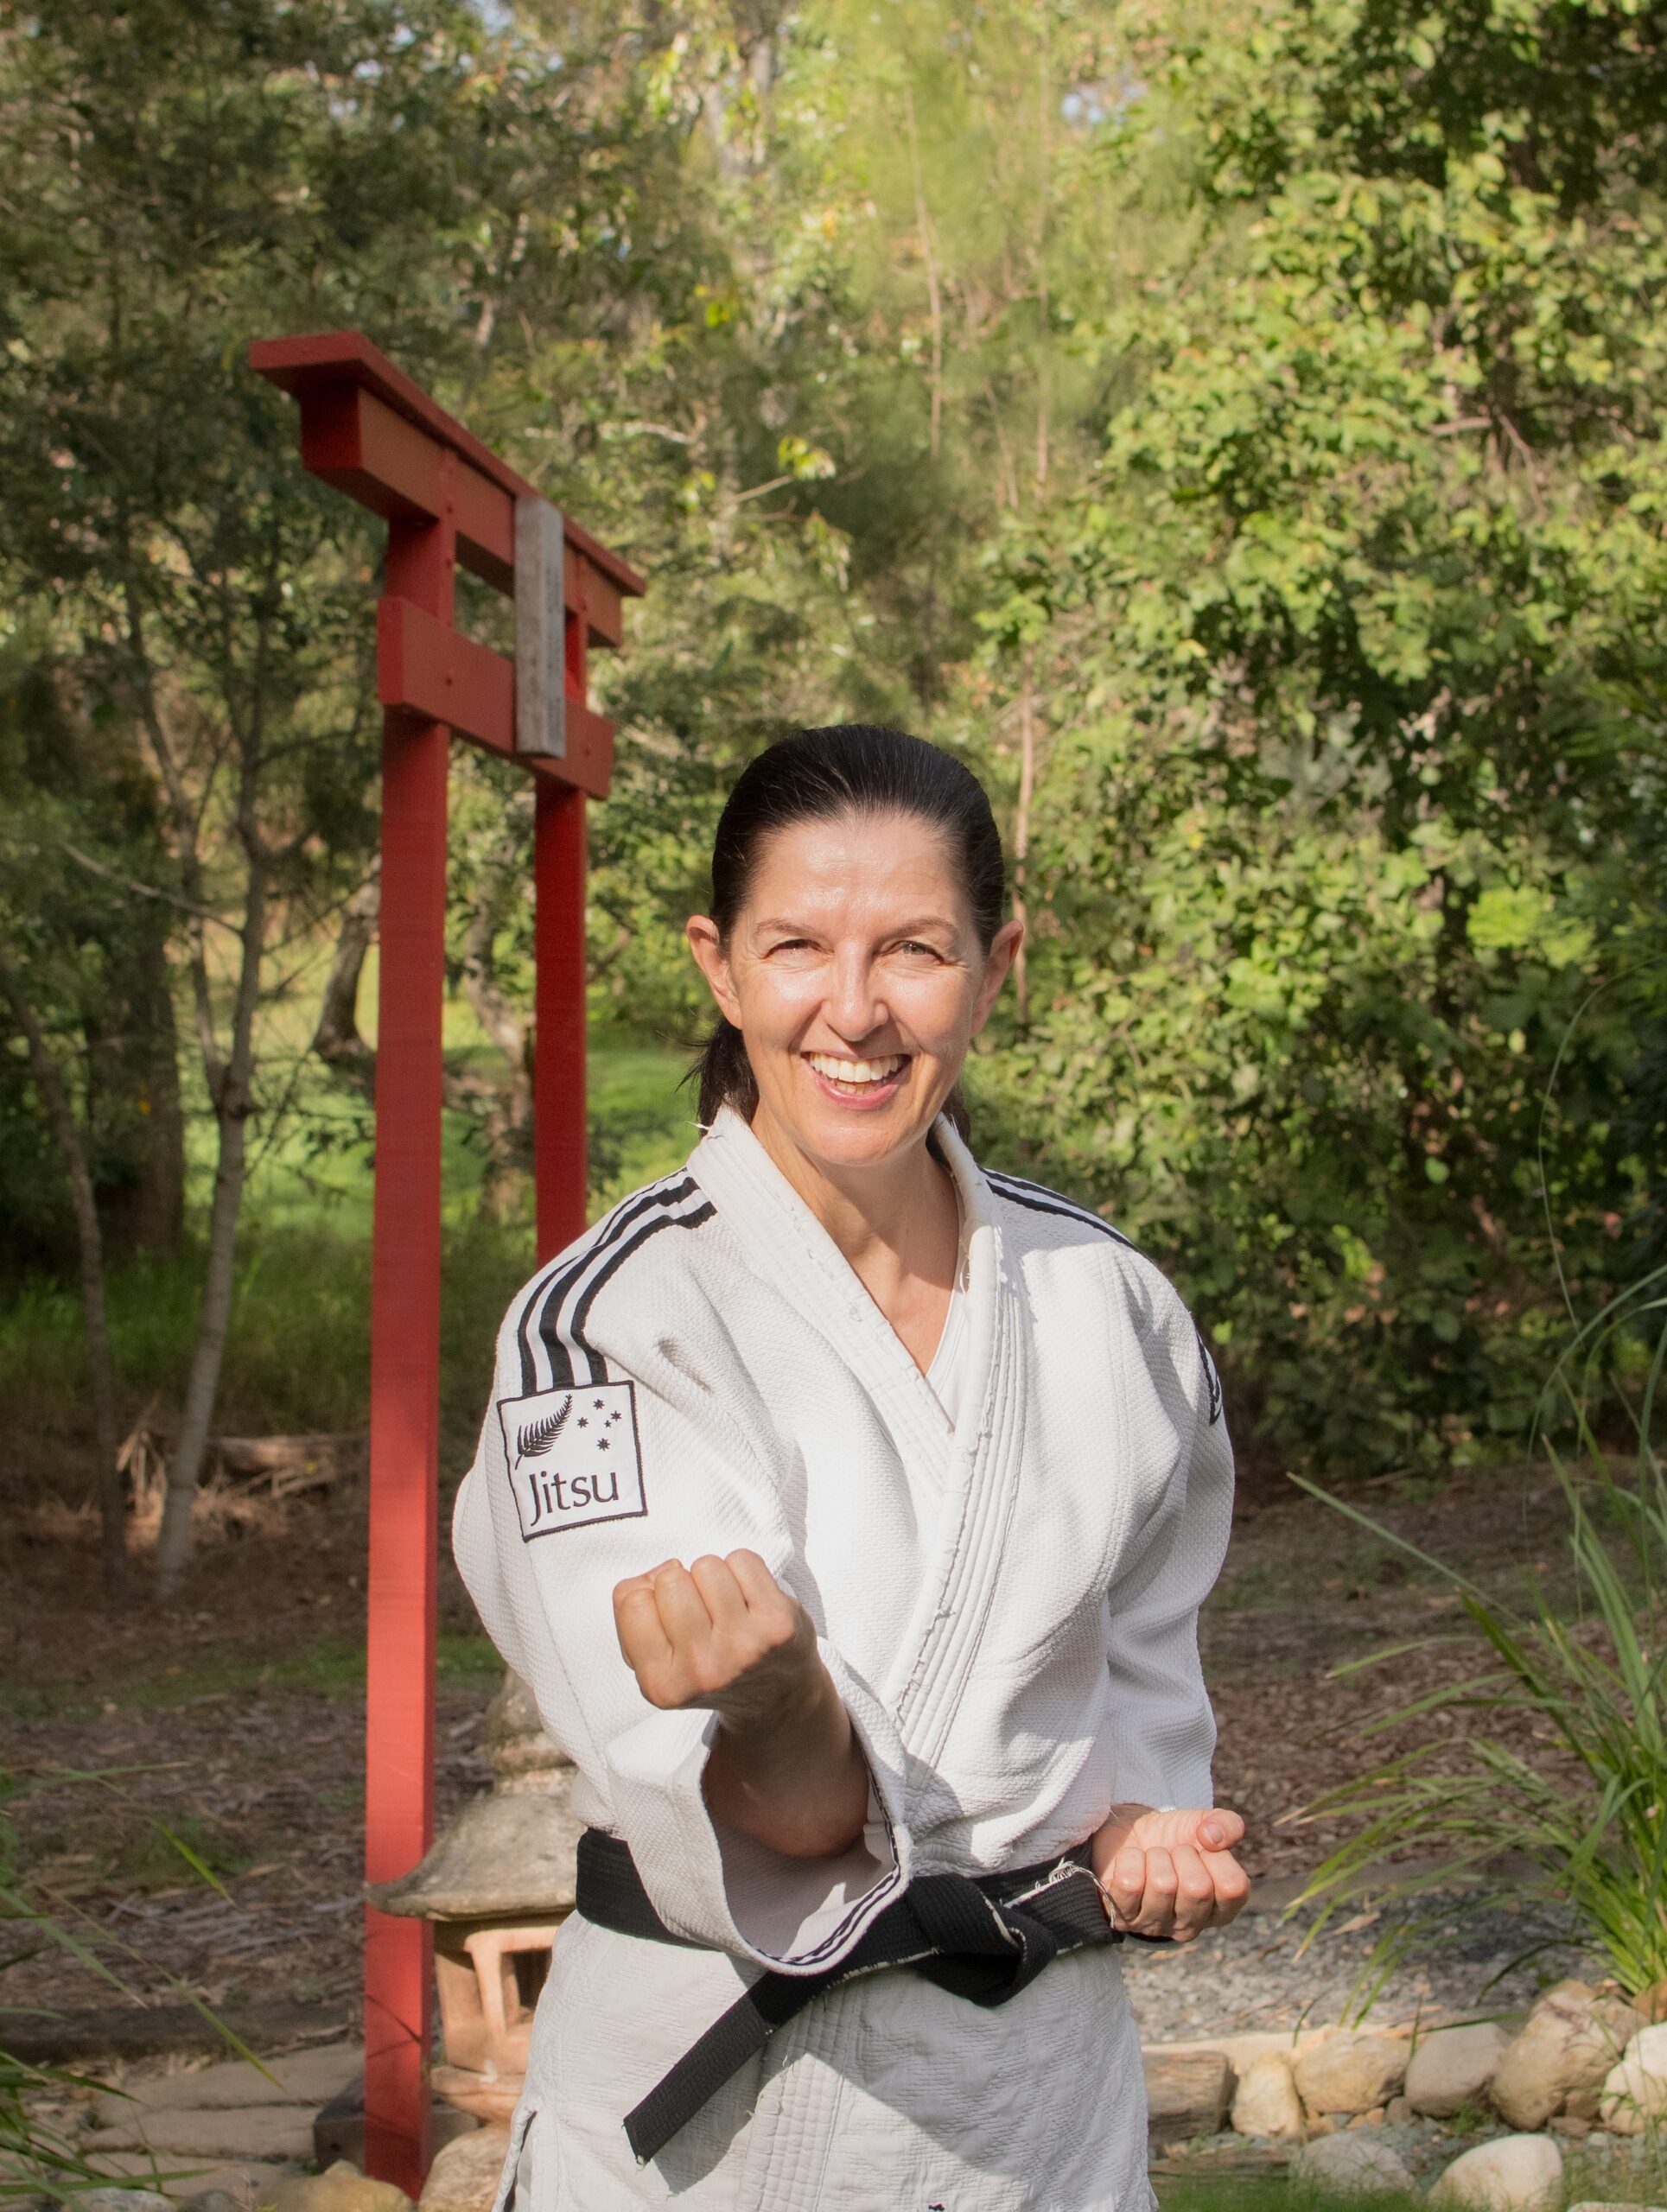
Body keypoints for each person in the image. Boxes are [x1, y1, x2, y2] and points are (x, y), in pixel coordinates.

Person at [453, 724, 1247, 2212]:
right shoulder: (607, 1325)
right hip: (721, 2122)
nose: (857, 1010)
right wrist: (770, 1694)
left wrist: (1141, 1817)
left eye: (917, 951)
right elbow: (786, 1821)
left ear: (997, 967)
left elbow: (1144, 1647)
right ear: (719, 966)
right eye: (798, 946)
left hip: (1039, 2110)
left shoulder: (1111, 1304)